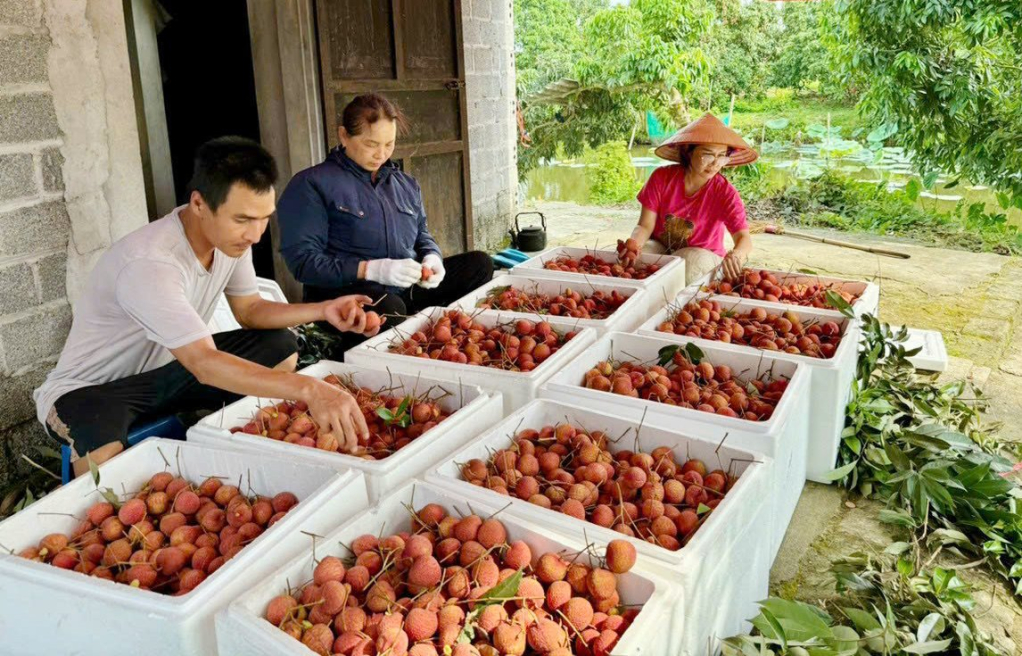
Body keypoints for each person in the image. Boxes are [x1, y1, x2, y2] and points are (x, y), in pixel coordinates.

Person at [34, 137, 380, 476]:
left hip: (169, 371)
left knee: (279, 345)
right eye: (243, 219)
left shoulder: (230, 243)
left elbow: (250, 310)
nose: (256, 235)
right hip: (96, 391)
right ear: (199, 204)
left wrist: (323, 310)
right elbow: (203, 362)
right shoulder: (150, 264)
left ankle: (221, 433)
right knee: (105, 462)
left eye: (264, 218)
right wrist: (310, 388)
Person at [276, 93, 493, 354]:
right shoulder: (312, 184)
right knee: (389, 309)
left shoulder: (405, 184)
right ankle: (405, 339)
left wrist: (432, 257)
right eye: (371, 144)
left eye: (389, 144)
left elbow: (421, 233)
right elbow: (304, 264)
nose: (381, 154)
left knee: (479, 265)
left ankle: (442, 337)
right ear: (344, 136)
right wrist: (369, 270)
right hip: (350, 298)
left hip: (405, 291)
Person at [628, 113, 758, 285]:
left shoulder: (726, 193)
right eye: (708, 155)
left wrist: (737, 255)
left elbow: (743, 238)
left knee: (687, 262)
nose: (715, 164)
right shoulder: (662, 178)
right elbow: (645, 225)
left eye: (722, 156)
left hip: (702, 258)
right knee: (641, 254)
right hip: (664, 249)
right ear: (689, 152)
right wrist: (632, 245)